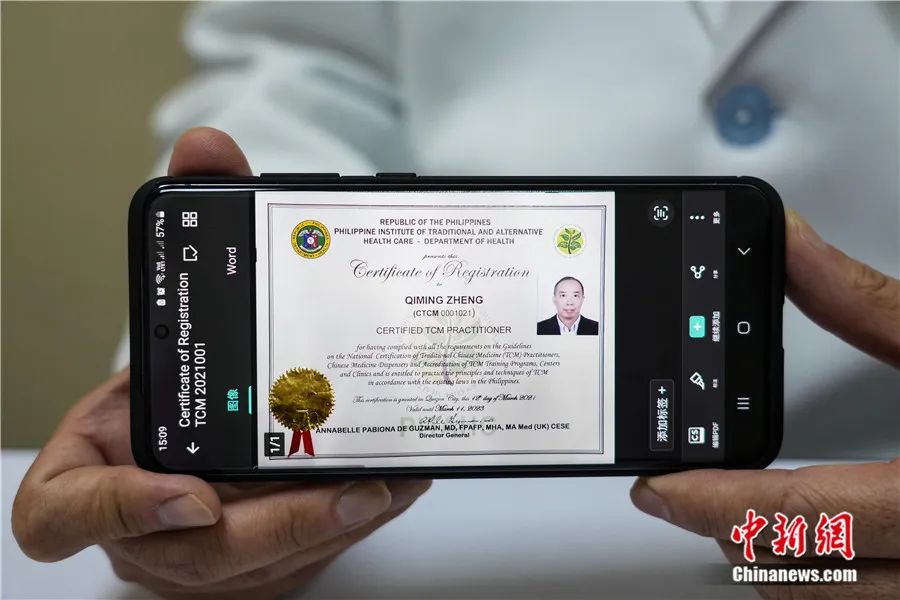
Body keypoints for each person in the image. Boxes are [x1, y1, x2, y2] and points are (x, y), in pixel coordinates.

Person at [13, 2, 900, 598]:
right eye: (562, 292)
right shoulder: (546, 331)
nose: (567, 300)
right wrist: (224, 382)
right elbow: (312, 66)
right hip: (466, 510)